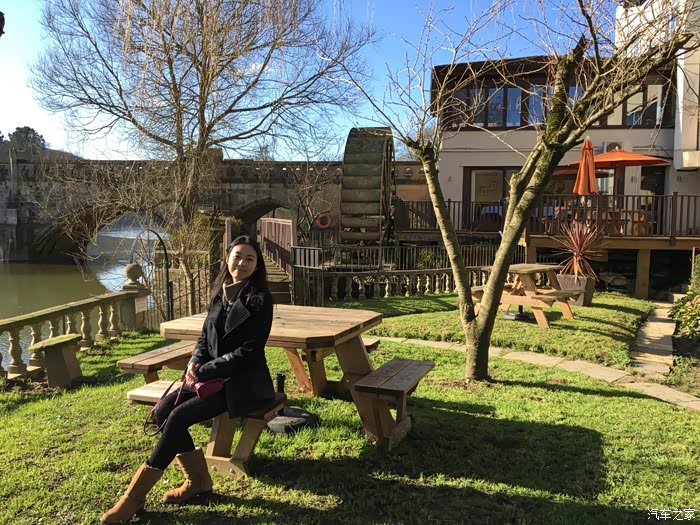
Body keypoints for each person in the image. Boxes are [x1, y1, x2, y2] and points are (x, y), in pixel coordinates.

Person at [102, 235, 275, 524]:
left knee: (179, 416)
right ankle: (198, 481)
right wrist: (195, 362)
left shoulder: (260, 299)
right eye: (237, 256)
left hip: (241, 383)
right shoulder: (220, 293)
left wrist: (204, 371)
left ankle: (133, 498)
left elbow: (249, 352)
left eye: (250, 259)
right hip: (208, 378)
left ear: (257, 266)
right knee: (162, 412)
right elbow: (204, 340)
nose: (242, 263)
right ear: (227, 259)